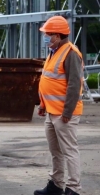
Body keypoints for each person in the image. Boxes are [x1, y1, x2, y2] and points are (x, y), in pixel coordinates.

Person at [34, 15, 83, 195]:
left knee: (69, 150)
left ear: (58, 35)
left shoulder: (71, 53)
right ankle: (56, 185)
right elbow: (49, 80)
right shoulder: (53, 51)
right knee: (56, 151)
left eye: (48, 33)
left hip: (64, 113)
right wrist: (42, 104)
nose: (46, 36)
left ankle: (74, 189)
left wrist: (67, 112)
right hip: (51, 111)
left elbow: (74, 84)